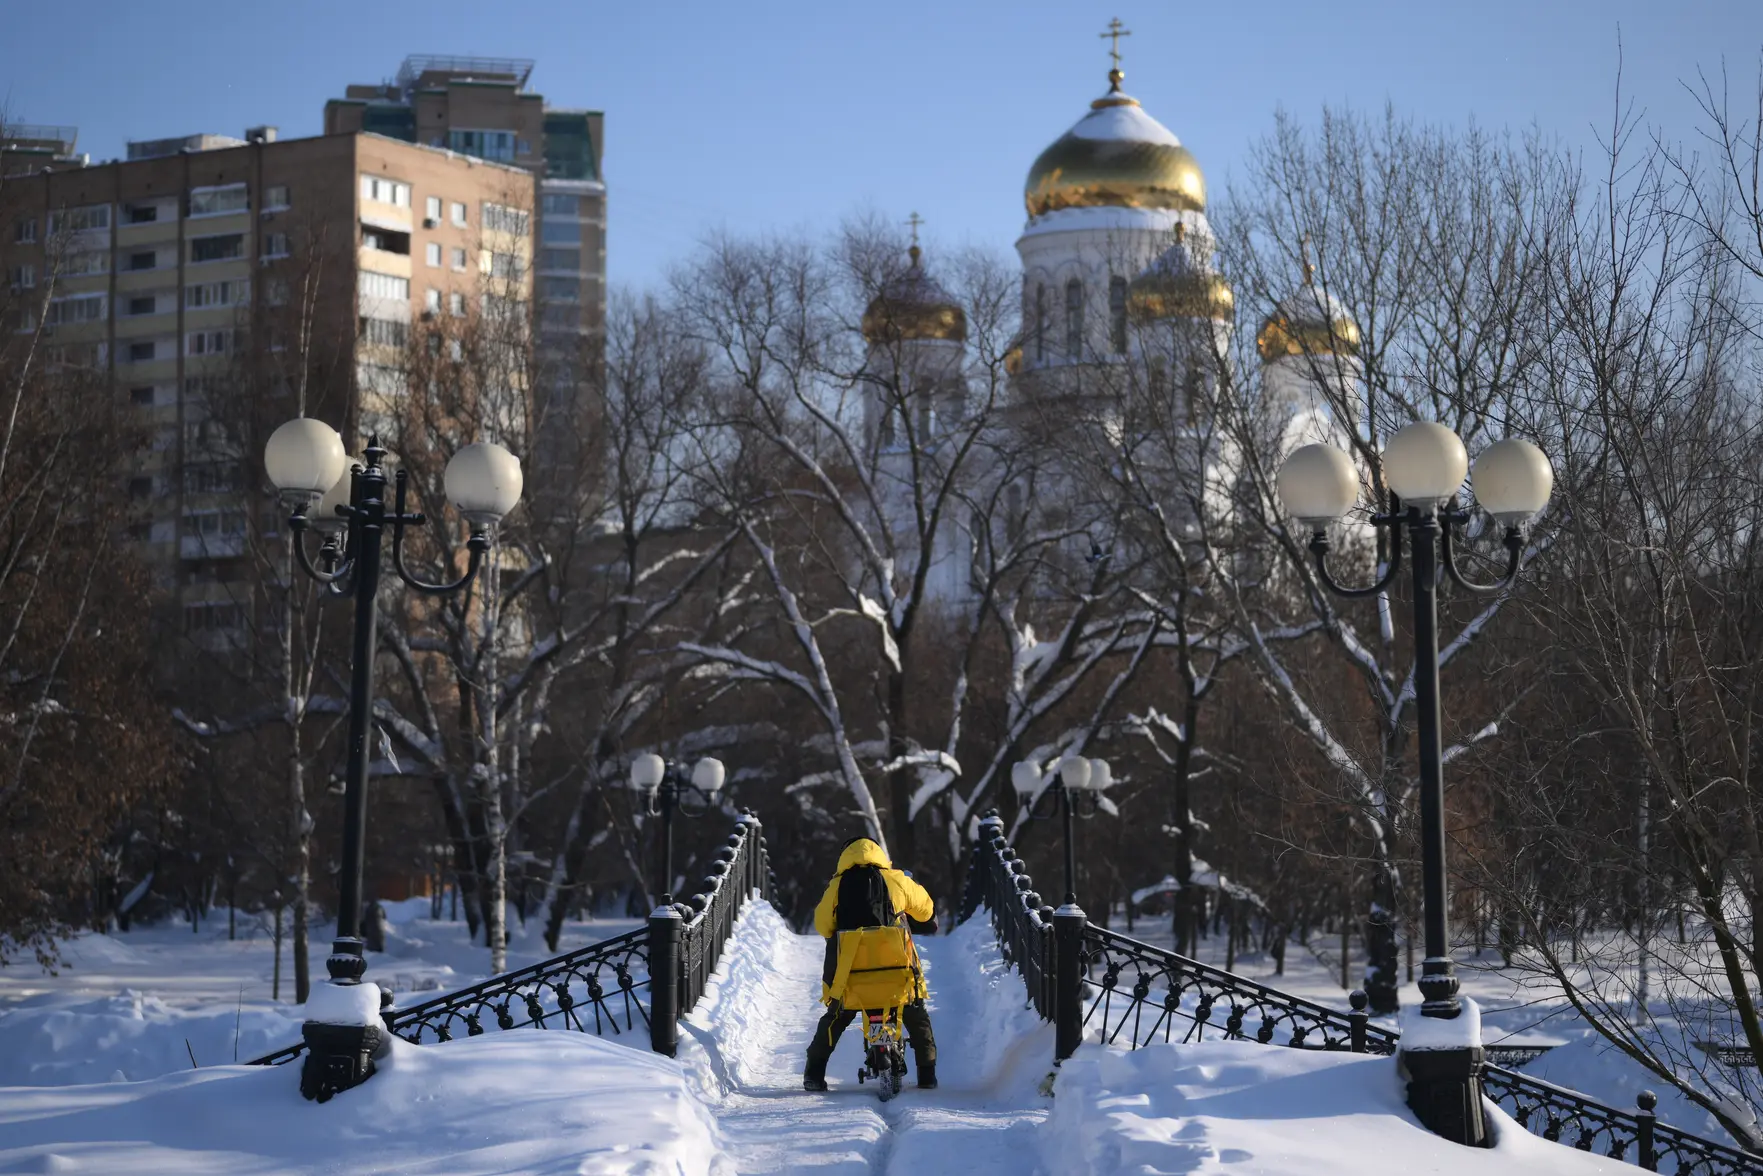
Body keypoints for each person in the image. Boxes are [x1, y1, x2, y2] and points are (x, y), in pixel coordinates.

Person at [803, 835, 939, 1092]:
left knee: (836, 1016)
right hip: (895, 970)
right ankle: (927, 1073)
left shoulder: (837, 885)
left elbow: (823, 925)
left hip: (851, 974)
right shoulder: (896, 879)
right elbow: (926, 910)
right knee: (915, 1010)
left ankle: (814, 1072)